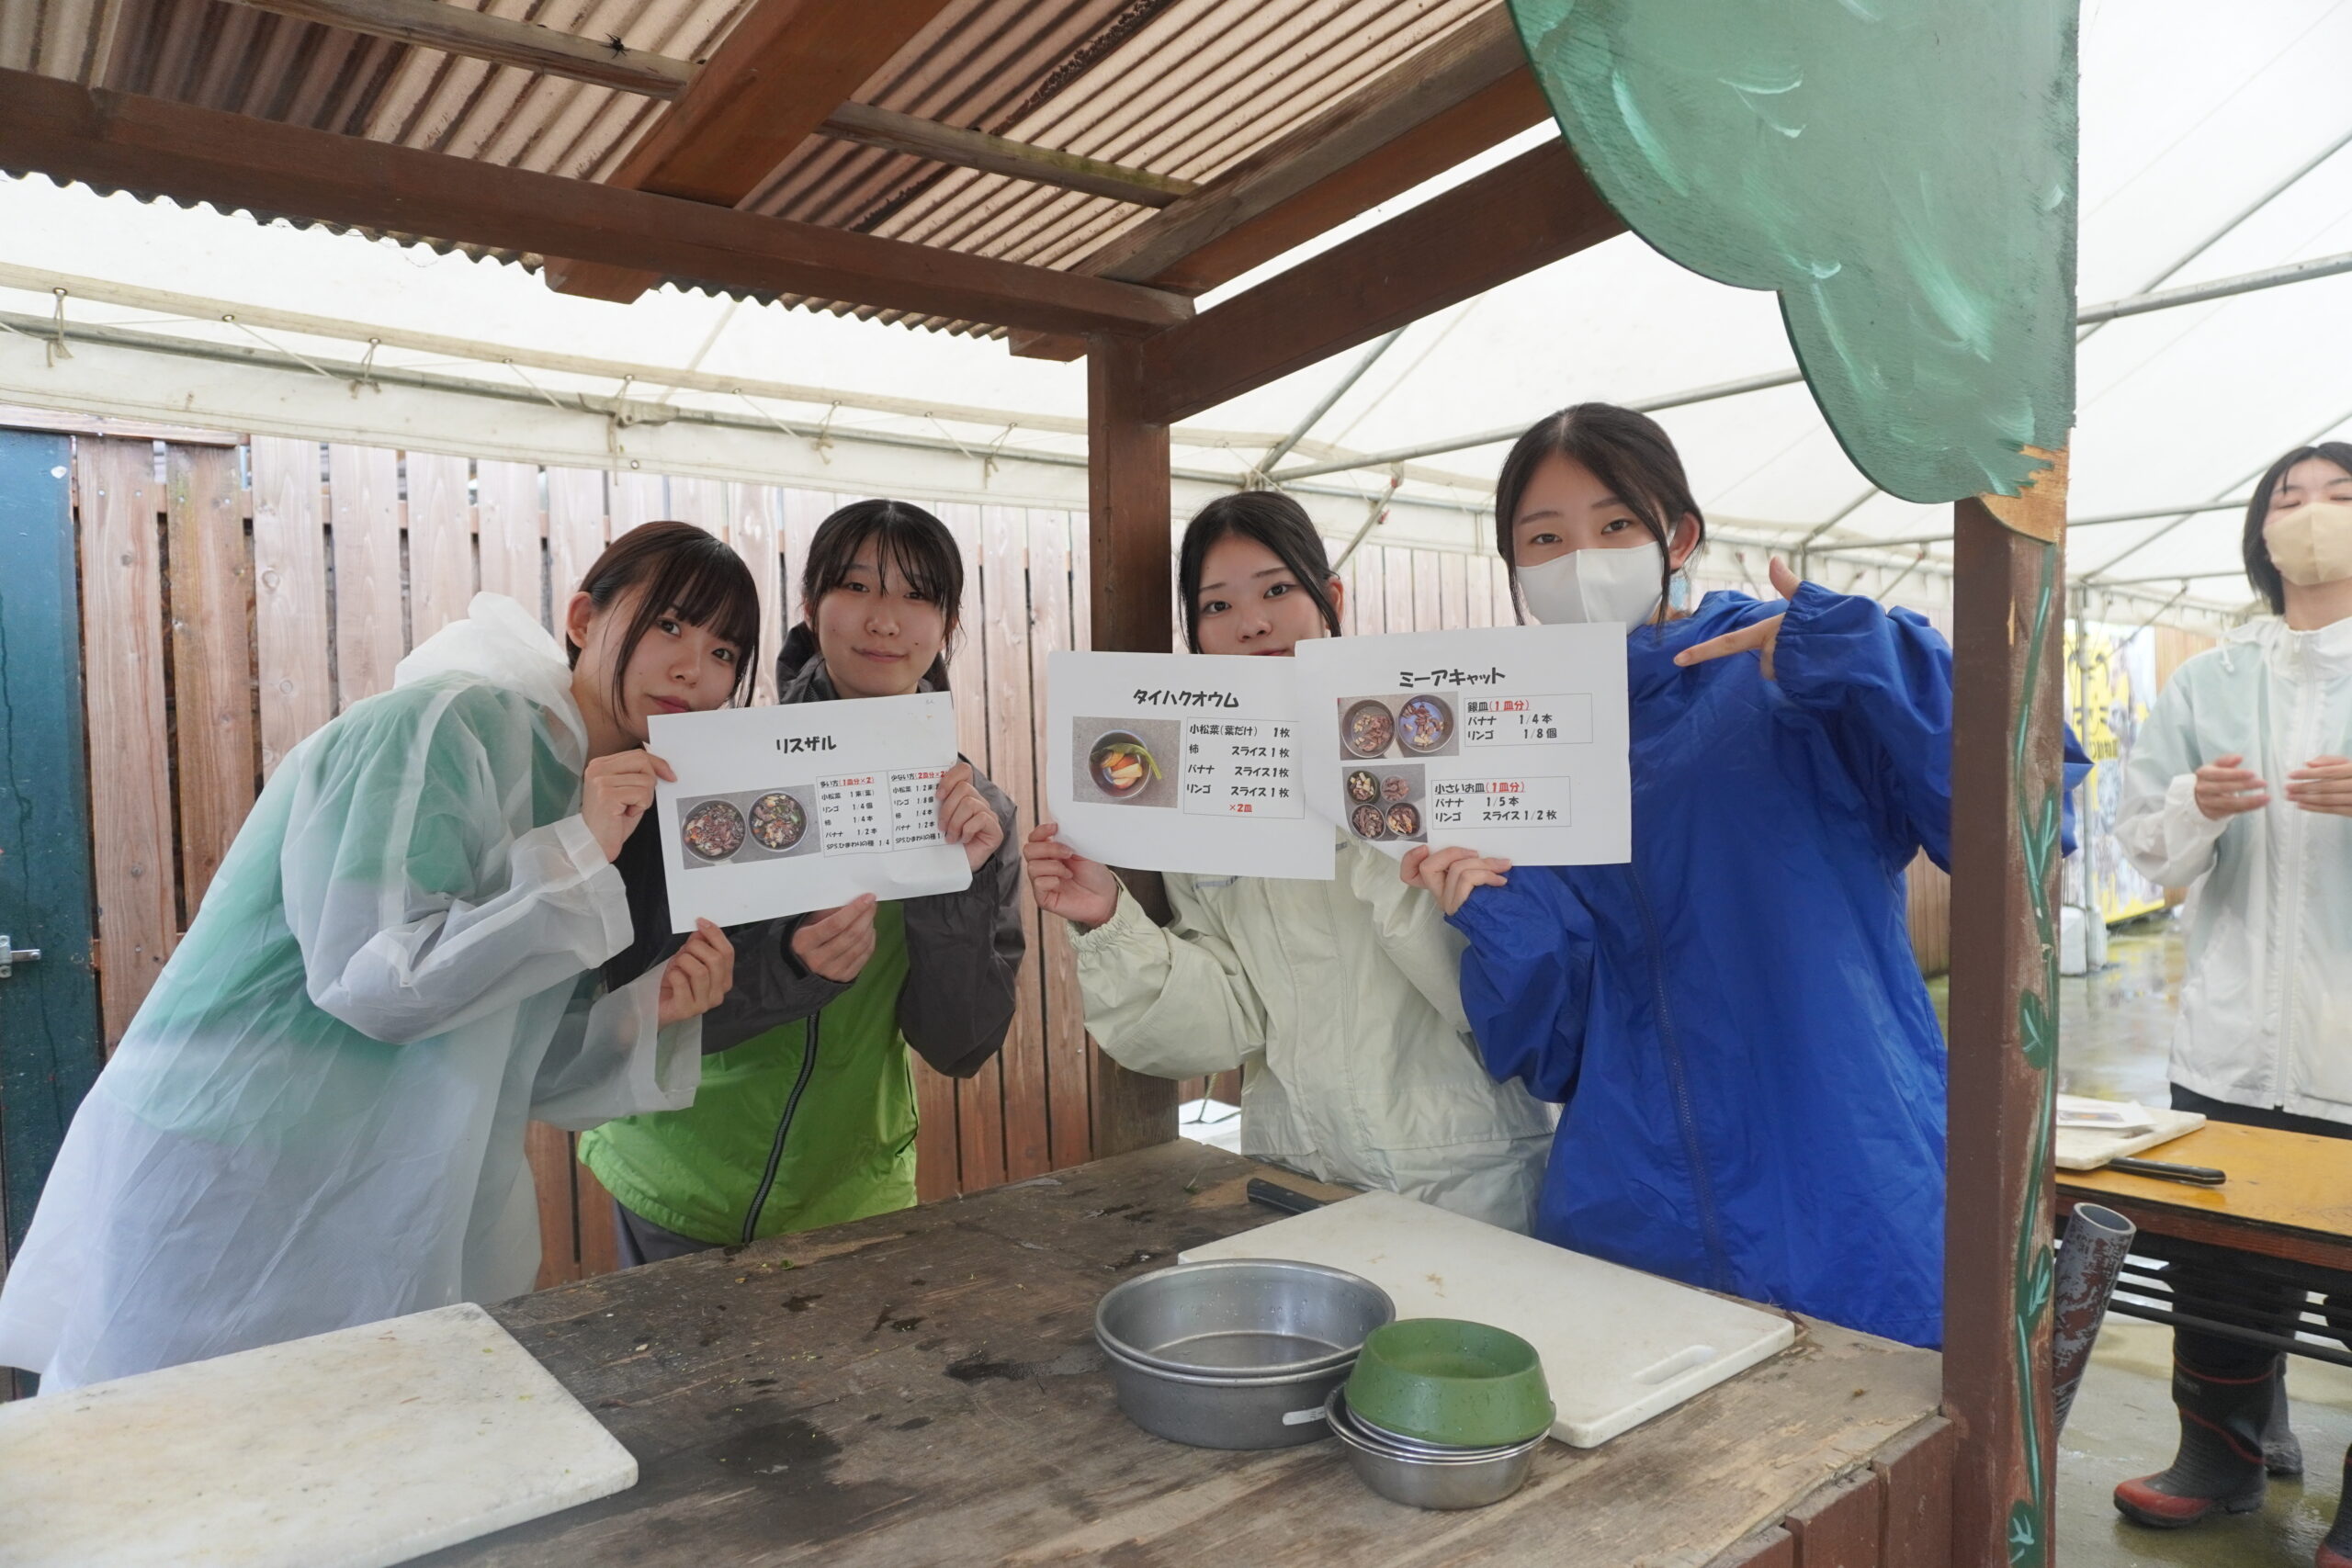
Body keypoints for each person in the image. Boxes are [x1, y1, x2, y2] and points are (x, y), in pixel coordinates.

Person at [0, 522, 750, 1391]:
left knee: (357, 1432)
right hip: (237, 1150)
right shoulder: (438, 728)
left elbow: (500, 1048)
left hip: (393, 1174)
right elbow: (377, 983)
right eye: (669, 625)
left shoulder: (595, 793)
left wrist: (644, 1011)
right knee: (175, 1430)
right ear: (584, 618)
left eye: (724, 650)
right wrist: (578, 856)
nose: (694, 668)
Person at [1405, 402, 2087, 1349]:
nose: (1581, 561)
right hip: (1628, 1214)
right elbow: (1556, 1050)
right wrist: (1499, 916)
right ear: (1514, 565)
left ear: (1678, 537)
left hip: (1851, 1189)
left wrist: (1871, 660)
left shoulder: (1784, 668)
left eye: (1615, 525)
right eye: (1545, 538)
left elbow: (2022, 818)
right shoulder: (1518, 751)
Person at [1023, 492, 1554, 1231]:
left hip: (1467, 1176)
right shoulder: (1205, 794)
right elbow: (1228, 1019)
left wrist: (1370, 824)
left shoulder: (1429, 735)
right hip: (1295, 1178)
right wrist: (1110, 918)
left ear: (1330, 597)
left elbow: (1492, 993)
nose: (1251, 623)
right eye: (1217, 605)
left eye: (1276, 590)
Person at [581, 500, 1023, 1262]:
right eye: (856, 585)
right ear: (811, 608)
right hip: (677, 1175)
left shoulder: (978, 814)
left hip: (850, 1197)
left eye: (917, 594)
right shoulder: (714, 769)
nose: (885, 619)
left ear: (947, 624)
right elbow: (643, 1001)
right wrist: (790, 966)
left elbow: (961, 1046)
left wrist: (962, 881)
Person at [2109, 441, 2352, 1560]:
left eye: (2339, 494)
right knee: (2219, 1267)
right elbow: (2147, 853)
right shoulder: (2208, 680)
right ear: (2259, 534)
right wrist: (2195, 807)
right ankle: (2218, 1460)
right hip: (2227, 1050)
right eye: (2286, 499)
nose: (2311, 514)